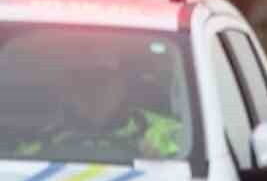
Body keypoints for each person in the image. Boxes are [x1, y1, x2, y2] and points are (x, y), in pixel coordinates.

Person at [19, 39, 185, 160]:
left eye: (103, 79)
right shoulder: (41, 143)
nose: (93, 90)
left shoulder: (173, 133)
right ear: (67, 90)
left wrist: (161, 163)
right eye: (82, 80)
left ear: (122, 86)